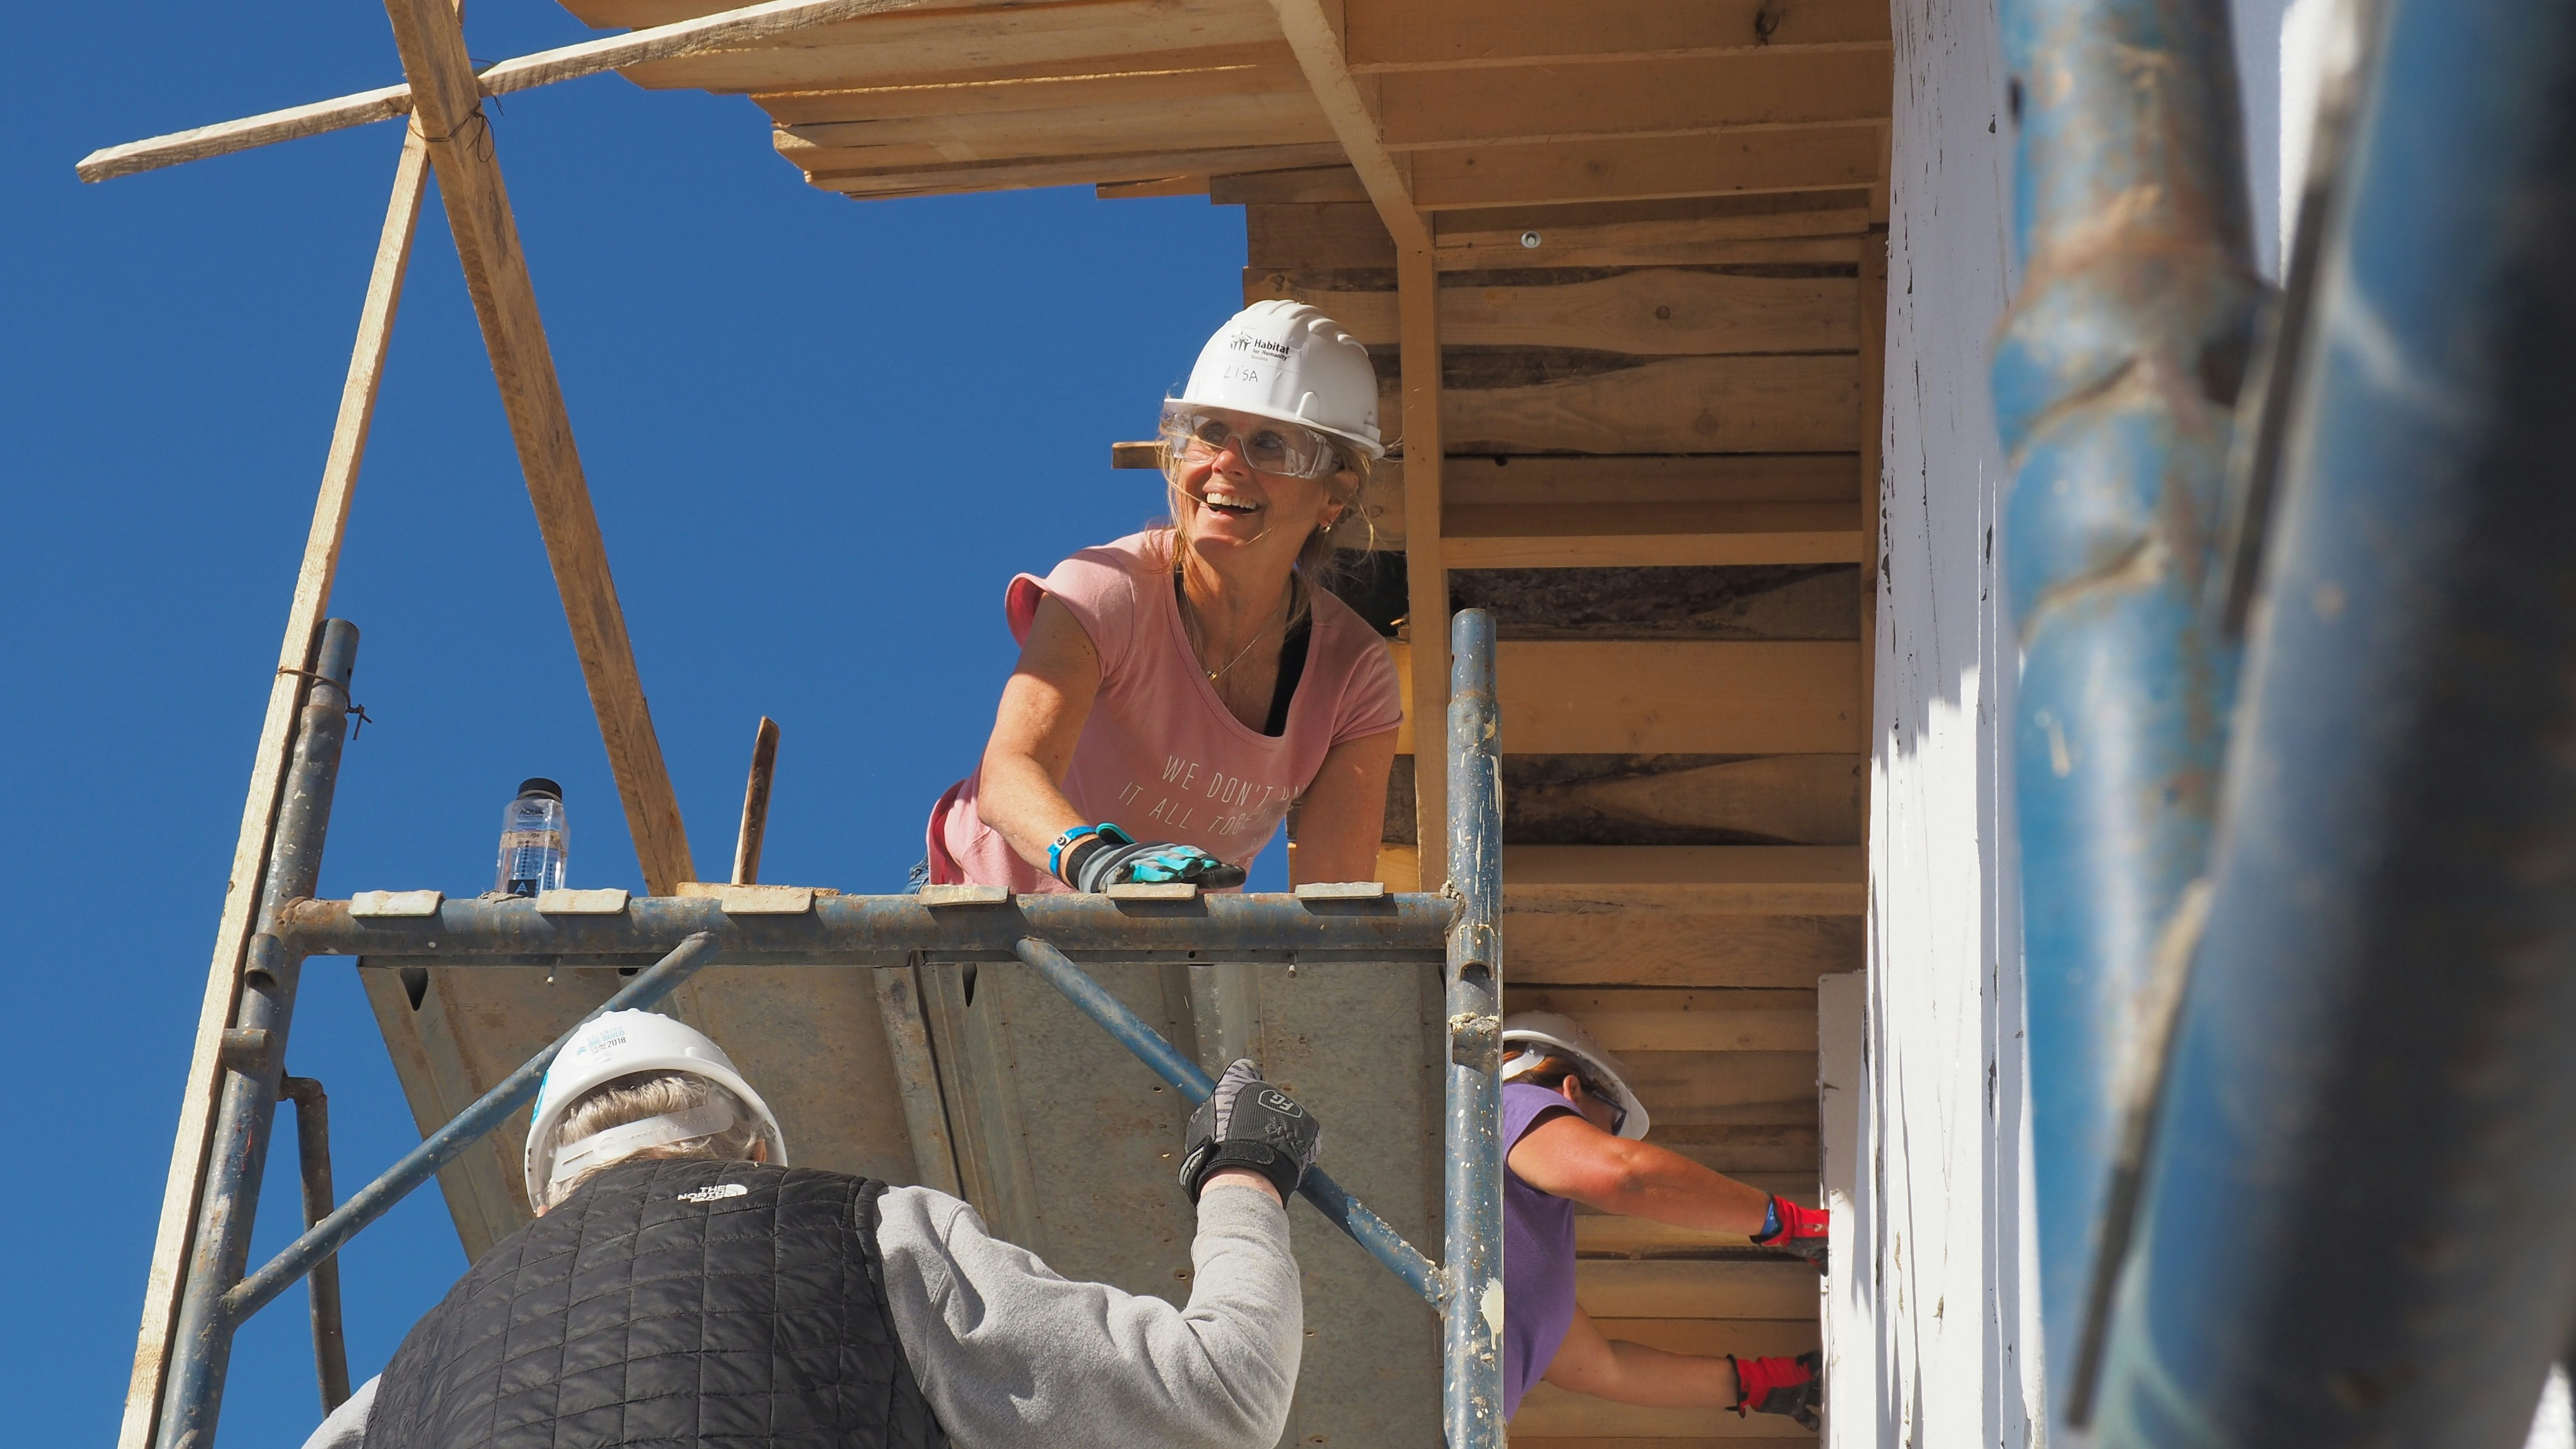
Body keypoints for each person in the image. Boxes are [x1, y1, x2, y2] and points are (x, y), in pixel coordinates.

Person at [297, 1010, 1323, 1449]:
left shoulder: (400, 1385)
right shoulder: (867, 1233)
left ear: (547, 1201)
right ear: (754, 1154)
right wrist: (1245, 1173)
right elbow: (1218, 1394)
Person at [921, 300, 1401, 895]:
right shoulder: (1106, 588)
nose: (1227, 464)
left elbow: (1336, 902)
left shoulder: (1352, 676)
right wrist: (1098, 863)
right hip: (993, 929)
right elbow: (1008, 776)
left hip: (1164, 964)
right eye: (1211, 433)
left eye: (1272, 444)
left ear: (1335, 494)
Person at [1499, 1011, 1830, 1430]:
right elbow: (1625, 1176)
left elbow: (1602, 1368)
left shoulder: (1520, 1237)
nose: (1614, 1138)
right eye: (1614, 1123)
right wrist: (1787, 1222)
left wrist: (1761, 1384)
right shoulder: (1510, 1104)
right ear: (1572, 1089)